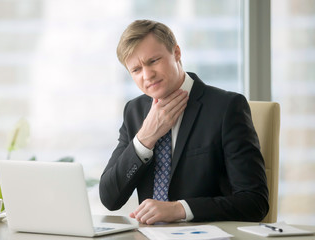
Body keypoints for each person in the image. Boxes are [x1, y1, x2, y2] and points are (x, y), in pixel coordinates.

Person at [99, 19, 269, 225]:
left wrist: (180, 209)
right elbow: (110, 199)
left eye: (153, 61)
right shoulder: (134, 111)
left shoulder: (226, 107)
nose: (147, 75)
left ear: (177, 53)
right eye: (136, 70)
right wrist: (145, 139)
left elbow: (254, 202)